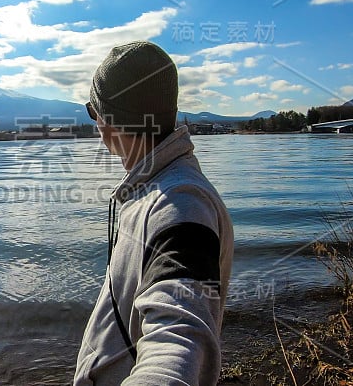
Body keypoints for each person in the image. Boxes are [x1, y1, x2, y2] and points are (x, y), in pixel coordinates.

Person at [74, 41, 234, 385]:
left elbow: (179, 337)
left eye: (93, 111)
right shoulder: (154, 190)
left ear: (109, 120)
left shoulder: (181, 205)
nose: (94, 123)